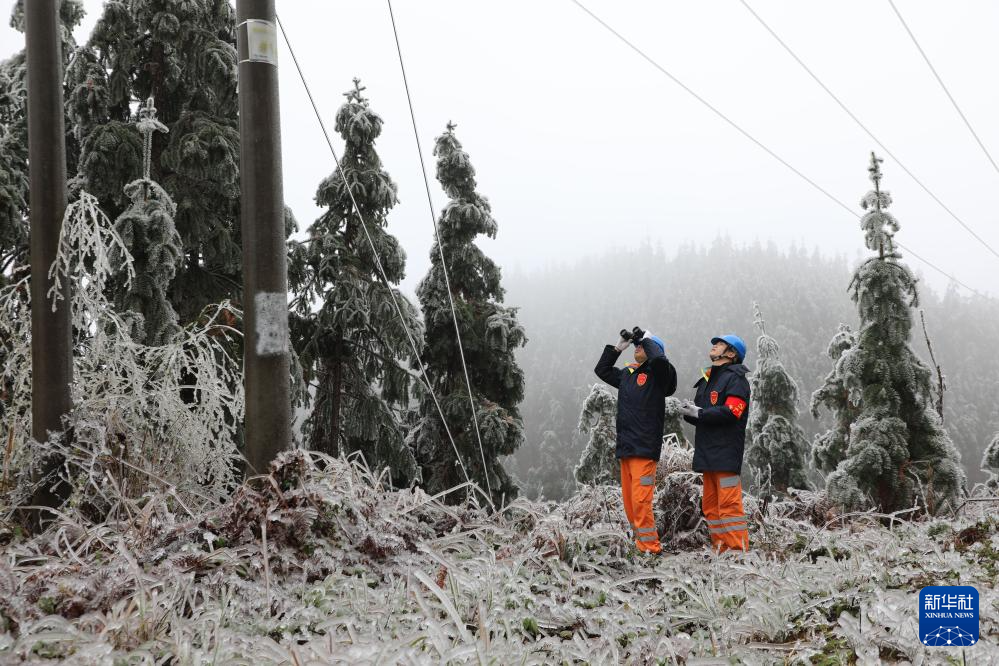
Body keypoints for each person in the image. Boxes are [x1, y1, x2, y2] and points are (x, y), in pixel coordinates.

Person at [595, 326, 677, 555]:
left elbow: (659, 360)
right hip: (626, 448)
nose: (637, 347)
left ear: (653, 348)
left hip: (645, 448)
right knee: (631, 504)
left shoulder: (661, 374)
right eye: (636, 345)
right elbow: (602, 370)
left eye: (642, 345)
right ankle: (640, 545)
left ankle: (651, 549)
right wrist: (617, 348)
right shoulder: (627, 374)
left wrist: (645, 338)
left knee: (641, 501)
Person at [680, 334, 751, 553]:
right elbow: (702, 415)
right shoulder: (707, 380)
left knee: (729, 506)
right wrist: (689, 413)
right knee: (710, 506)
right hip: (707, 453)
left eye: (720, 344)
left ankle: (738, 554)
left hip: (726, 454)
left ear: (731, 353)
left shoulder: (737, 379)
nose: (714, 346)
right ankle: (721, 550)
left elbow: (732, 412)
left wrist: (699, 413)